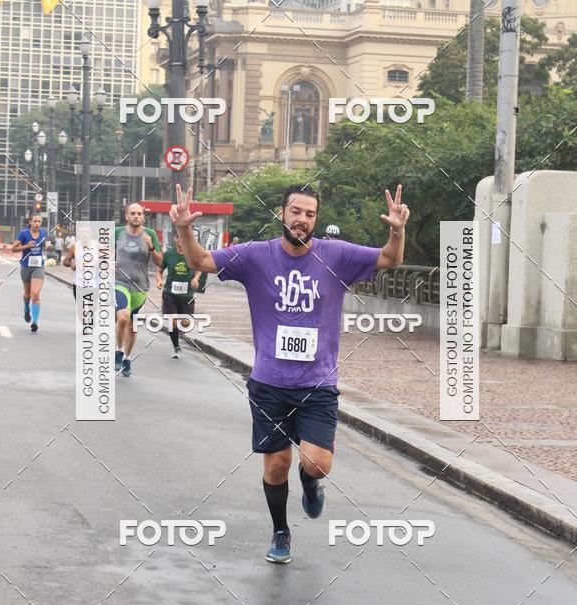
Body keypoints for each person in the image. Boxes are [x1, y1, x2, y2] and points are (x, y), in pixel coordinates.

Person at [170, 182, 409, 564]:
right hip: (269, 383)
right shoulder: (255, 257)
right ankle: (281, 530)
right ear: (282, 213)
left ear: (316, 219)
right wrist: (183, 228)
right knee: (277, 463)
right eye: (296, 212)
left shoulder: (337, 254)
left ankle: (311, 484)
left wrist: (396, 230)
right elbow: (200, 261)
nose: (302, 220)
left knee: (316, 463)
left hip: (317, 383)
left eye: (310, 214)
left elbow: (389, 259)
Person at [115, 203, 162, 377]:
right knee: (122, 317)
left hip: (140, 286)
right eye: (132, 213)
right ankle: (118, 352)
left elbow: (159, 262)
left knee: (132, 328)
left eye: (139, 214)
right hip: (119, 282)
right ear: (126, 216)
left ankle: (127, 359)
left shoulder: (149, 234)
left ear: (143, 217)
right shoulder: (116, 233)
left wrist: (151, 247)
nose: (136, 216)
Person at [156, 232, 206, 358]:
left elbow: (200, 267)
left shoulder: (192, 254)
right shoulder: (168, 254)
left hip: (187, 295)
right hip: (170, 294)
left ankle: (179, 329)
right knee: (173, 321)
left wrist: (196, 279)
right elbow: (159, 271)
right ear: (175, 238)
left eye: (183, 236)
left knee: (185, 323)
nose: (180, 239)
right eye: (178, 236)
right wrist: (159, 280)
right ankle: (176, 347)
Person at [11, 213, 48, 332]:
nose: (37, 223)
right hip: (26, 266)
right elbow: (13, 248)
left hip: (38, 267)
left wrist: (47, 246)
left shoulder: (43, 233)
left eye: (39, 221)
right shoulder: (23, 233)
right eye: (35, 221)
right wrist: (26, 245)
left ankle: (35, 321)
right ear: (30, 222)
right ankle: (27, 310)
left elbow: (44, 245)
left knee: (35, 293)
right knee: (27, 294)